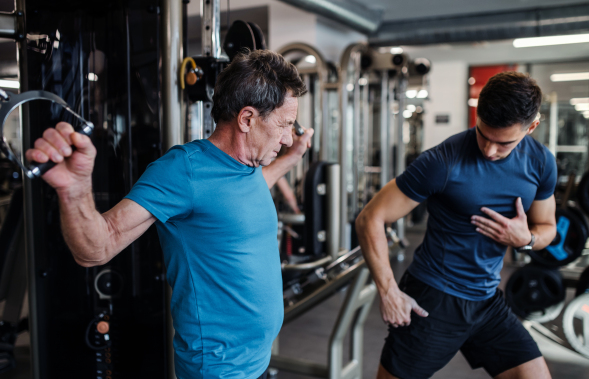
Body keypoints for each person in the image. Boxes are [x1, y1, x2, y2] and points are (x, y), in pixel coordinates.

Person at [25, 50, 314, 379]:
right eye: (284, 125)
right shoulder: (185, 171)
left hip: (256, 362)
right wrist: (74, 189)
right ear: (247, 119)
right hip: (219, 370)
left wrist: (291, 158)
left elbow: (239, 197)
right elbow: (97, 247)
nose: (289, 137)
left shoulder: (247, 167)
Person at [356, 72, 556, 379]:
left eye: (503, 144)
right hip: (434, 298)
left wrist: (525, 238)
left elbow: (547, 227)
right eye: (483, 135)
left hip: (487, 300)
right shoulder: (443, 161)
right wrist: (388, 291)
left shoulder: (541, 163)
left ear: (531, 128)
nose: (489, 151)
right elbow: (371, 217)